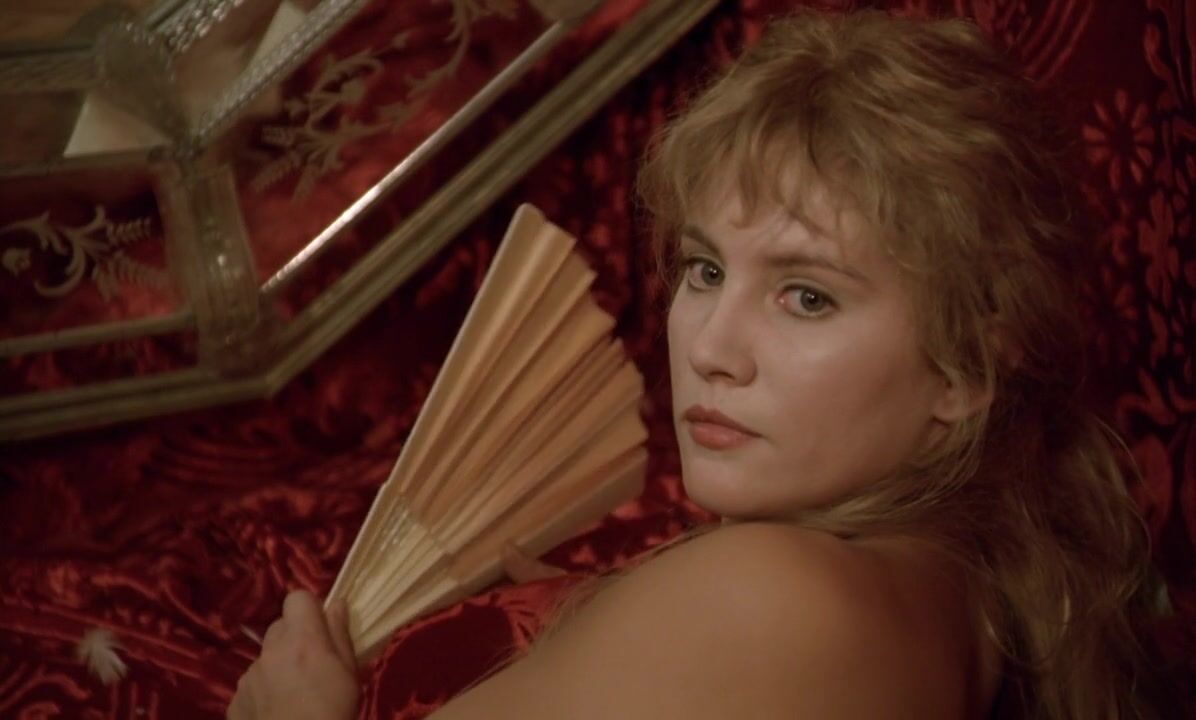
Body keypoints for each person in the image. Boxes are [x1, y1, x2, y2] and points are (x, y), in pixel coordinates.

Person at [227, 7, 1172, 719]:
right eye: (706, 269)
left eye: (807, 296)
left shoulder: (769, 598)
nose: (711, 349)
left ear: (964, 371)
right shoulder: (977, 589)